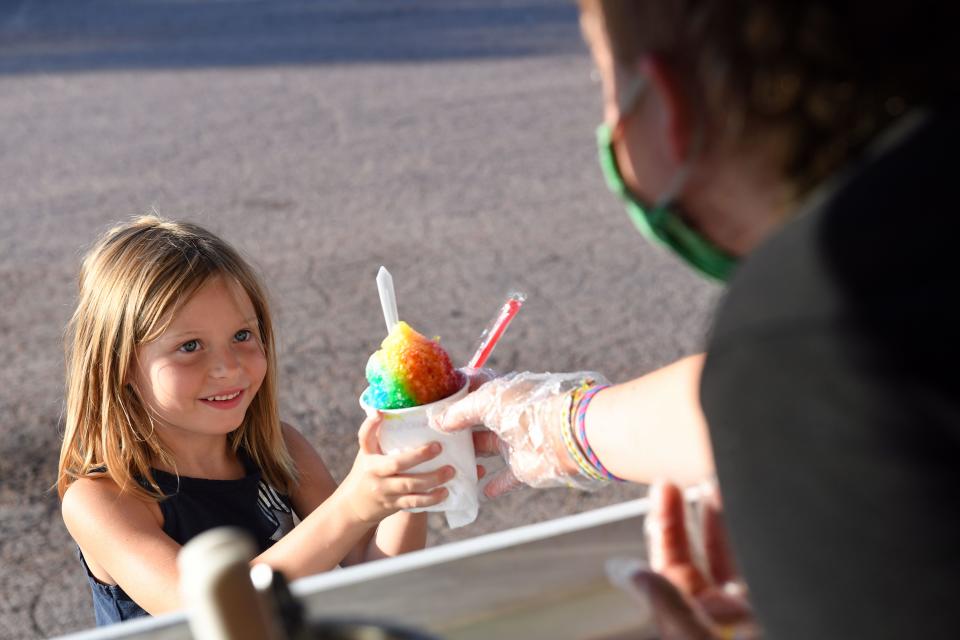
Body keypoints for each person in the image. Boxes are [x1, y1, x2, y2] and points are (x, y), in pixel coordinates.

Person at [435, 1, 960, 638]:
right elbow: (782, 401)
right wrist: (562, 424)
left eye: (603, 82)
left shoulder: (821, 319)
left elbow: (799, 376)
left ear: (665, 109)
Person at [57, 216, 458, 626]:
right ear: (118, 364)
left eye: (242, 336)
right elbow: (211, 612)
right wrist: (353, 506)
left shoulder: (279, 448)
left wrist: (408, 473)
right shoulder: (104, 501)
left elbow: (378, 577)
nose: (227, 367)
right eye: (190, 346)